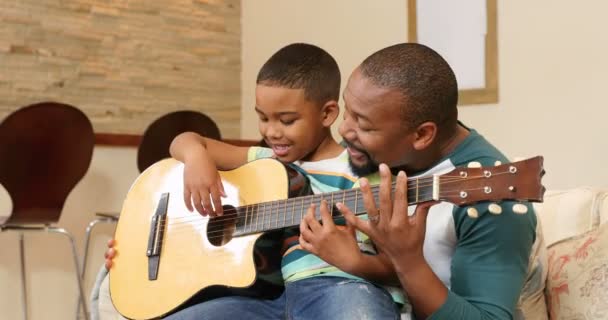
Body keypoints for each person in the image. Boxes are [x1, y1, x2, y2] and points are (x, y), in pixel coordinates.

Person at [102, 42, 404, 320]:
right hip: (270, 299)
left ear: (327, 114)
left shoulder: (361, 173)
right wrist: (195, 157)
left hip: (341, 286)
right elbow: (184, 140)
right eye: (263, 118)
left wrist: (354, 261)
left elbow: (398, 267)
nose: (272, 132)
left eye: (286, 121)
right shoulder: (265, 161)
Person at [297, 43, 546, 320]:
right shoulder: (370, 156)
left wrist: (406, 259)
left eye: (364, 125)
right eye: (347, 112)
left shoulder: (492, 199)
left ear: (422, 135)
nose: (344, 130)